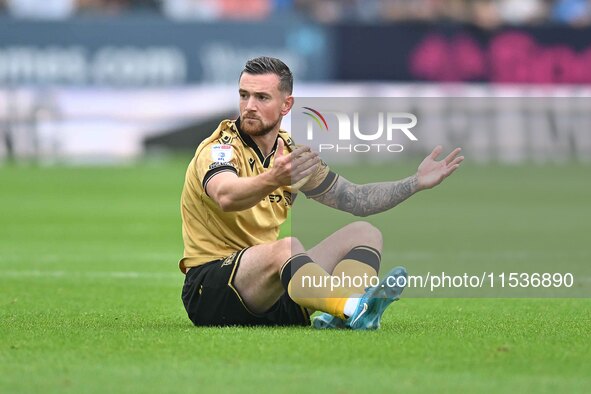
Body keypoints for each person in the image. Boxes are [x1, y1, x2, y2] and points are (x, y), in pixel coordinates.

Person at [180, 56, 463, 329]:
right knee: (285, 248)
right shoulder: (220, 148)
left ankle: (340, 316)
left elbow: (356, 198)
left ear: (286, 105)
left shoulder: (292, 155)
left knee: (364, 233)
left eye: (262, 97)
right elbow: (226, 196)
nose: (249, 106)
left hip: (269, 294)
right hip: (211, 291)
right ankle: (353, 306)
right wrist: (273, 178)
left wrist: (414, 183)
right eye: (244, 95)